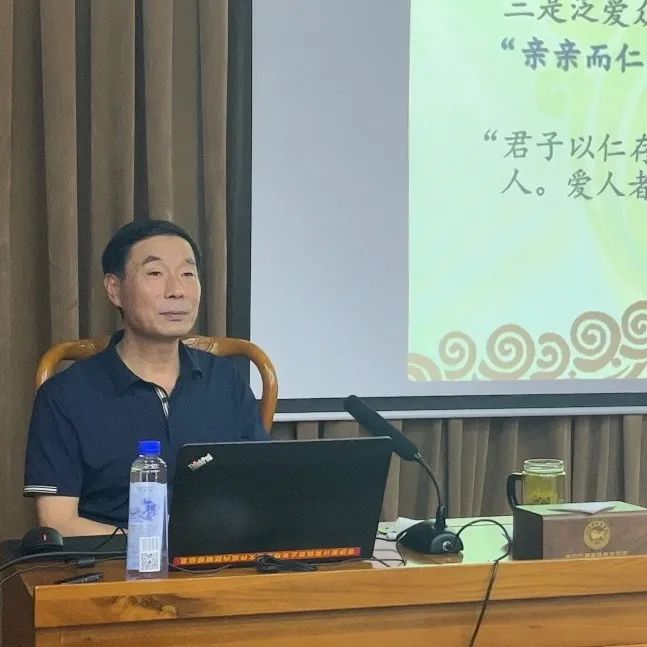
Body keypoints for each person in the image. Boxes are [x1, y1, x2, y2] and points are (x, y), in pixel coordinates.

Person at [23, 219, 268, 536]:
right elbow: (58, 522)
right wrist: (151, 546)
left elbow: (261, 489)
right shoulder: (65, 396)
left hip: (219, 559)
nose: (176, 290)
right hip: (114, 562)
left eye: (188, 274)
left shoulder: (225, 381)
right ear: (115, 289)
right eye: (155, 273)